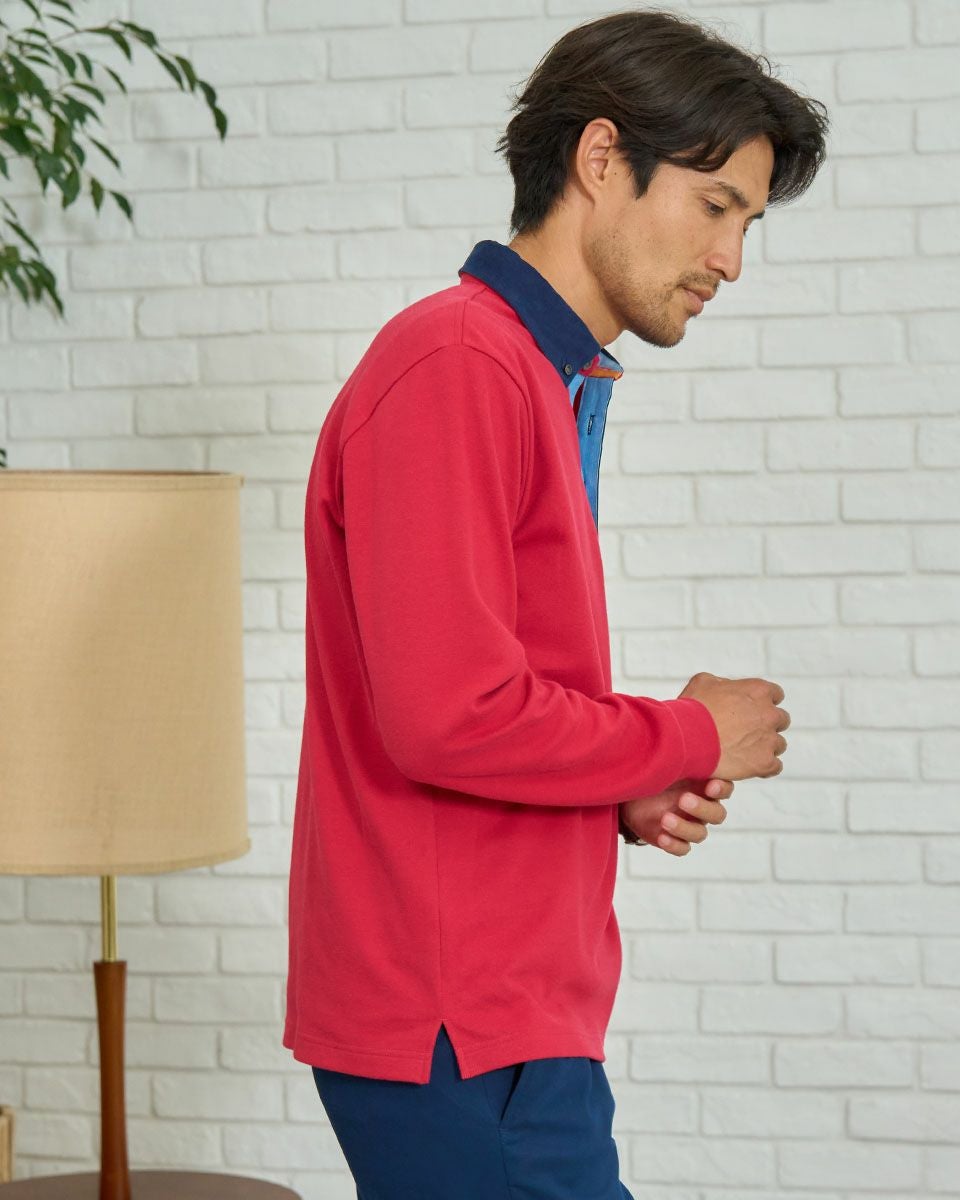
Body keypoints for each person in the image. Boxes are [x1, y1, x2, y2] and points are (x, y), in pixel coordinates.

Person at [284, 8, 828, 1198]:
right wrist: (687, 735)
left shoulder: (534, 372)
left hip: (502, 1016)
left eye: (747, 222)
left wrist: (617, 786)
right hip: (461, 1023)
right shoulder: (459, 364)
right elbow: (449, 717)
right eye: (715, 206)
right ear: (600, 158)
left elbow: (477, 698)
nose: (731, 259)